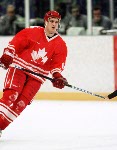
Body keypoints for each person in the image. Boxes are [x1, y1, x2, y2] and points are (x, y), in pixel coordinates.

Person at [0, 10, 68, 137]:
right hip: (19, 67)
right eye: (51, 21)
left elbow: (57, 64)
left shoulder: (61, 44)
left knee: (20, 104)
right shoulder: (33, 31)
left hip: (37, 77)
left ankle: (0, 128)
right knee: (11, 96)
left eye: (56, 22)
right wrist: (9, 54)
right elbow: (16, 43)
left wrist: (57, 76)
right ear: (45, 22)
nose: (54, 24)